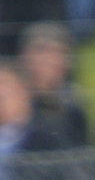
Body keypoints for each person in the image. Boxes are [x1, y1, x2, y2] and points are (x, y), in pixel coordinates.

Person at [17, 21, 90, 151]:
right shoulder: (12, 100)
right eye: (42, 51)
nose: (51, 60)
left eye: (60, 52)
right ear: (25, 57)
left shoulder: (73, 106)